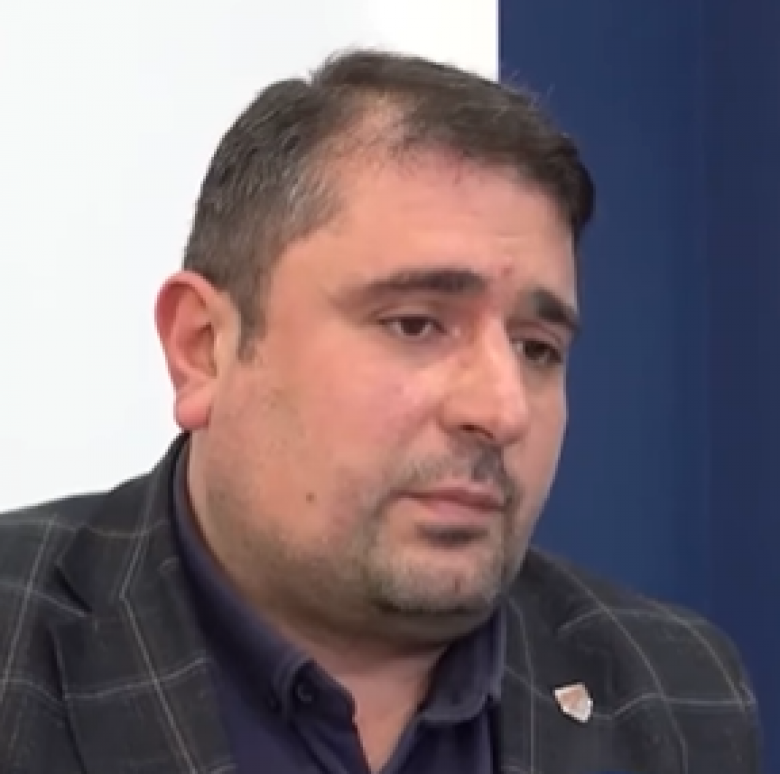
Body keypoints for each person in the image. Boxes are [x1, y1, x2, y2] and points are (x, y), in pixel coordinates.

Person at [0, 50, 761, 774]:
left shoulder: (673, 691)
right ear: (204, 348)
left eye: (537, 348)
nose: (501, 411)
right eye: (415, 325)